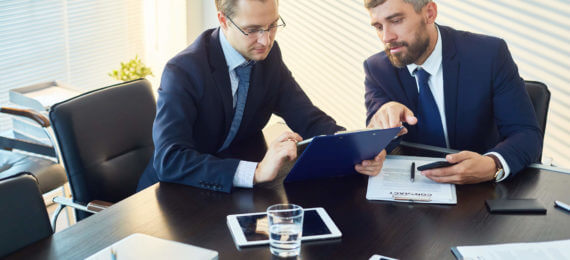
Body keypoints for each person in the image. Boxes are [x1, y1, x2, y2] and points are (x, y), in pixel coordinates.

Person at [137, 0, 385, 193]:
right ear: (223, 20)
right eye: (252, 30)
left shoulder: (267, 56)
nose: (265, 40)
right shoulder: (183, 71)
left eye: (272, 26)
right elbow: (170, 159)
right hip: (172, 196)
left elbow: (306, 117)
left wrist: (354, 148)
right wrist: (254, 173)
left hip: (226, 197)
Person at [362, 0, 542, 184]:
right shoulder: (377, 70)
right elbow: (376, 145)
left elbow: (526, 134)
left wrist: (492, 165)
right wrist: (380, 132)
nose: (386, 37)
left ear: (430, 13)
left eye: (396, 21)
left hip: (481, 190)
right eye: (378, 26)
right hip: (415, 189)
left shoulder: (489, 54)